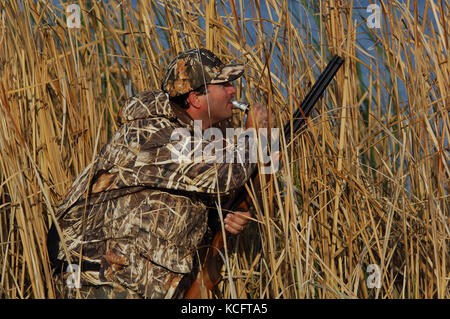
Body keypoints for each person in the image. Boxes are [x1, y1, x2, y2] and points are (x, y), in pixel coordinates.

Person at [48, 48, 269, 299]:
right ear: (196, 97)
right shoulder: (155, 131)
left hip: (128, 282)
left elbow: (182, 199)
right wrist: (255, 134)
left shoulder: (189, 140)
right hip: (106, 280)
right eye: (224, 84)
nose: (233, 90)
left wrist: (226, 217)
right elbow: (226, 174)